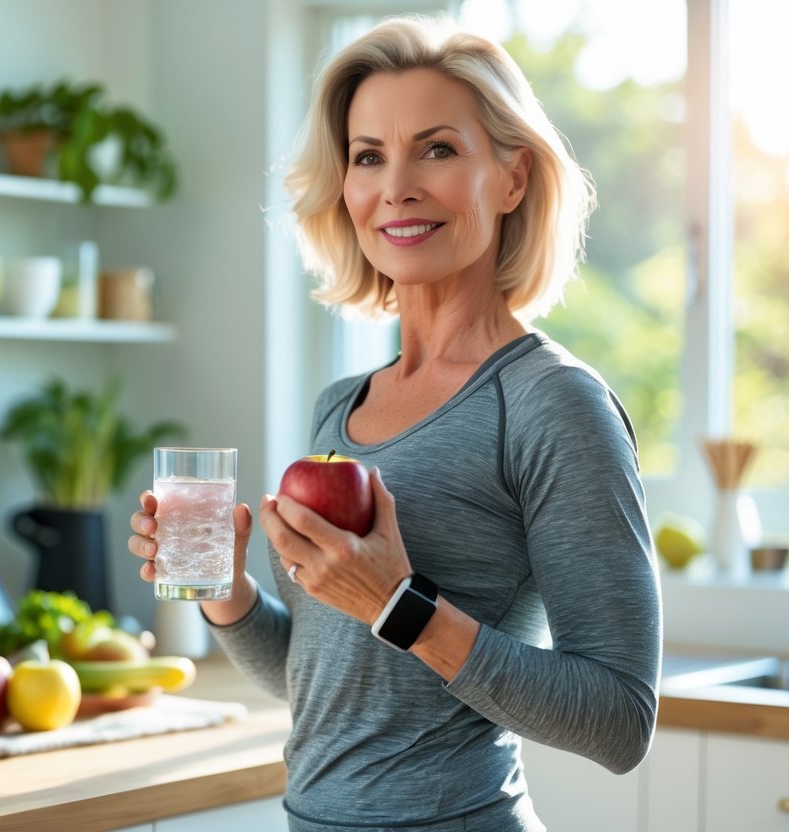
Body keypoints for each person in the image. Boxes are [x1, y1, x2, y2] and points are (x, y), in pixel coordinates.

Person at [128, 14, 661, 832]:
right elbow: (334, 685)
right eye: (368, 156)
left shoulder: (550, 401)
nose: (395, 186)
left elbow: (620, 722)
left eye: (437, 149)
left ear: (512, 177)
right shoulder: (341, 407)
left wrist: (398, 601)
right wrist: (225, 592)